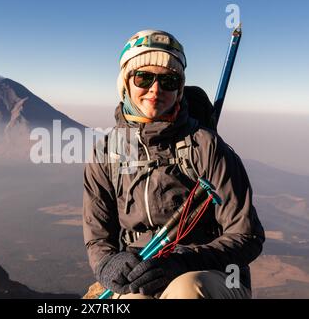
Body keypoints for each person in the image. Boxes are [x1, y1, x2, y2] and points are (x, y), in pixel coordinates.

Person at [82, 29, 265, 299]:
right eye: (144, 77)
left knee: (186, 290)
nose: (155, 90)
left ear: (179, 89)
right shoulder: (106, 154)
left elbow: (246, 236)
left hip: (212, 273)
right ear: (125, 83)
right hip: (141, 272)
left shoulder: (206, 147)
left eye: (168, 80)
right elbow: (98, 236)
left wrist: (180, 262)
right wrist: (108, 263)